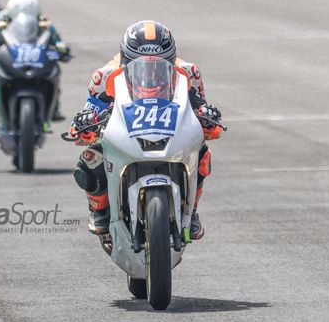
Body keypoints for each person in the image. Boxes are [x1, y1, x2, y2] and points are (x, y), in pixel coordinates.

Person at [69, 20, 222, 239]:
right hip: (126, 131)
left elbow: (200, 112)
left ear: (171, 59)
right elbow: (82, 124)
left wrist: (208, 116)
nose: (150, 72)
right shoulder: (104, 77)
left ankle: (192, 209)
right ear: (125, 60)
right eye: (140, 65)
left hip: (170, 130)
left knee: (202, 153)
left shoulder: (189, 73)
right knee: (90, 157)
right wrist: (85, 122)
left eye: (160, 64)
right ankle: (99, 208)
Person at [0, 0, 71, 120]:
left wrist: (61, 48)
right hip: (11, 60)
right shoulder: (2, 22)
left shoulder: (43, 23)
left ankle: (54, 107)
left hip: (35, 60)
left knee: (54, 72)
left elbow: (57, 39)